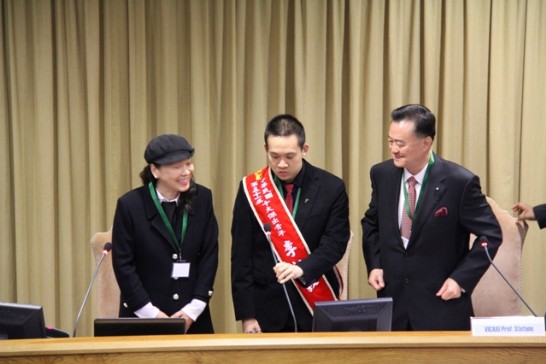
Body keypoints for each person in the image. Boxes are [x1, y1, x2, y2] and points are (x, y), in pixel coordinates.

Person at [361, 104, 502, 331]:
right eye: (390, 141)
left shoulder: (459, 182)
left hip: (440, 305)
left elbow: (491, 234)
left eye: (400, 143)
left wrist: (461, 280)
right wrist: (375, 263)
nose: (393, 149)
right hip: (394, 305)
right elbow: (371, 223)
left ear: (426, 143)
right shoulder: (381, 174)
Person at [231, 114, 350, 333]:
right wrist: (247, 316)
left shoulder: (331, 187)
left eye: (289, 156)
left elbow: (335, 244)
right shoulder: (251, 188)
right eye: (274, 156)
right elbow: (241, 256)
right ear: (266, 148)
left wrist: (301, 268)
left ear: (304, 149)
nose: (281, 164)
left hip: (314, 300)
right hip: (266, 308)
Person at [112, 134, 219, 334]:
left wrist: (193, 309)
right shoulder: (130, 206)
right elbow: (124, 265)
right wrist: (152, 315)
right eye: (177, 167)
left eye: (189, 164)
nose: (187, 172)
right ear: (155, 170)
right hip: (143, 317)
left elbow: (209, 255)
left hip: (193, 317)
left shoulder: (202, 198)